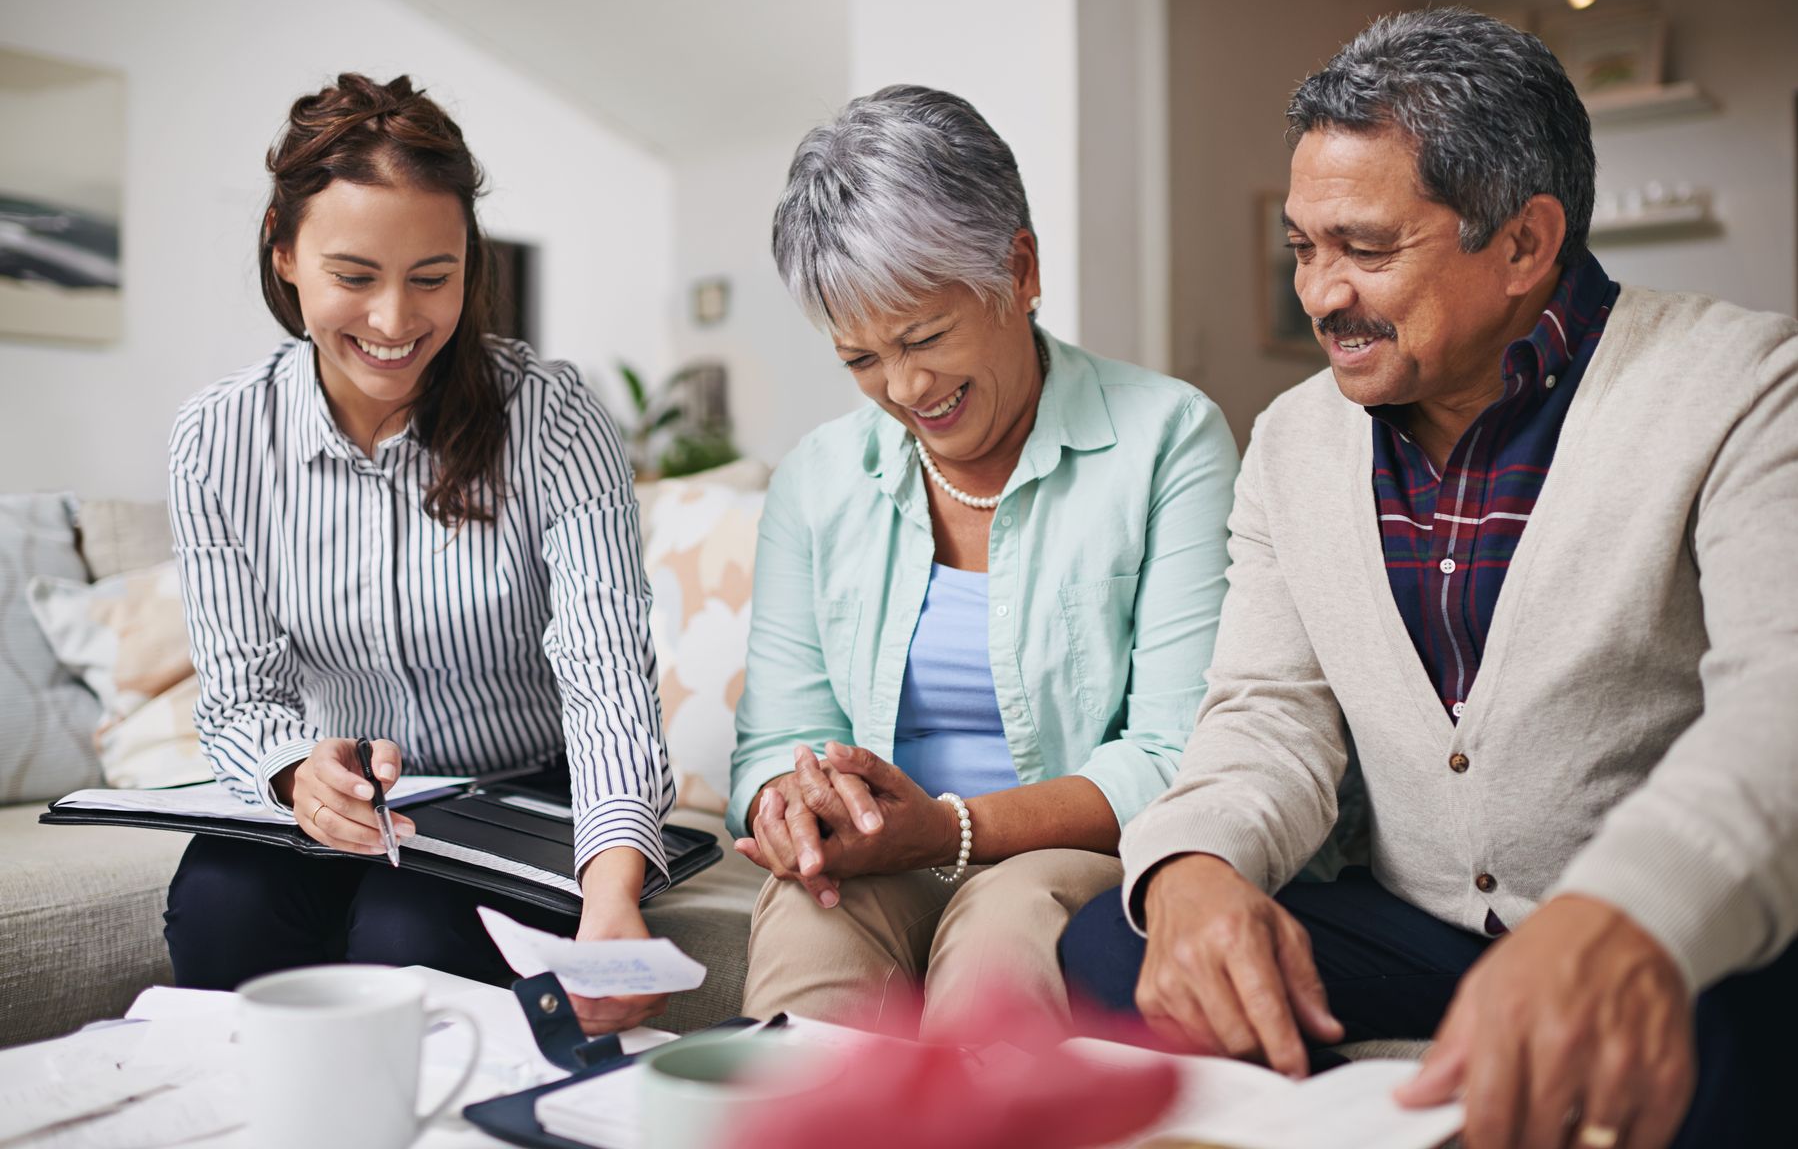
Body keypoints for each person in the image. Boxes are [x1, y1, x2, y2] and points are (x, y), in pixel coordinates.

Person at [1059, 8, 1798, 1149]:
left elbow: (1777, 711)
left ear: (1524, 243)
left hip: (1652, 931)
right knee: (1118, 943)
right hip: (1427, 937)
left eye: (1364, 249)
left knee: (1740, 1042)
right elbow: (1268, 715)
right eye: (1303, 247)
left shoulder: (1745, 386)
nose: (1318, 294)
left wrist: (1628, 915)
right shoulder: (1291, 441)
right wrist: (1194, 865)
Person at [163, 73, 675, 1035]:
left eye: (432, 278)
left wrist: (612, 895)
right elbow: (240, 700)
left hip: (521, 790)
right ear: (284, 251)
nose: (396, 322)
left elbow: (607, 680)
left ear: (469, 263)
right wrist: (294, 772)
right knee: (220, 905)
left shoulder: (552, 418)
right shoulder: (218, 439)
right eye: (355, 277)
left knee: (410, 932)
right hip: (339, 796)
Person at [729, 85, 1239, 1039]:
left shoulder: (1168, 439)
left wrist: (952, 828)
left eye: (924, 337)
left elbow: (1179, 754)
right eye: (860, 359)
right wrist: (787, 806)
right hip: (885, 855)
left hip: (1069, 855)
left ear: (1021, 268)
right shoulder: (818, 479)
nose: (905, 387)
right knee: (809, 919)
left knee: (1004, 925)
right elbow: (776, 738)